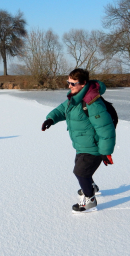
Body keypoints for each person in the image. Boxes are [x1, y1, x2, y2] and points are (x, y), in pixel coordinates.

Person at [41, 68, 116, 213]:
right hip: (82, 144)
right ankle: (91, 187)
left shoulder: (92, 102)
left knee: (81, 172)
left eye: (73, 83)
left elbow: (106, 129)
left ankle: (90, 200)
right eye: (68, 82)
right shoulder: (74, 98)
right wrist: (50, 119)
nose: (69, 86)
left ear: (83, 84)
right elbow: (62, 110)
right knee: (81, 169)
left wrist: (105, 152)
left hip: (93, 147)